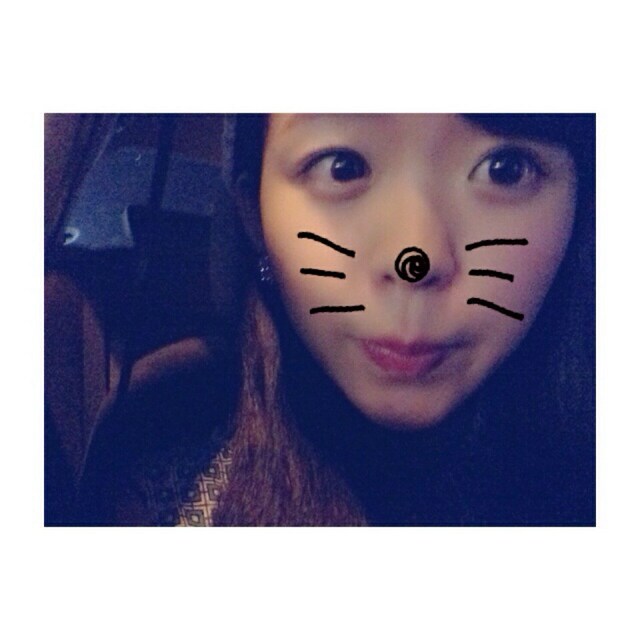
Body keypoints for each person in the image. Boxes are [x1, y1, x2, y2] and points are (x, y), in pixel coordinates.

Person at [78, 113, 595, 526]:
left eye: (505, 169)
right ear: (253, 215)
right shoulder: (159, 469)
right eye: (342, 167)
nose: (414, 259)